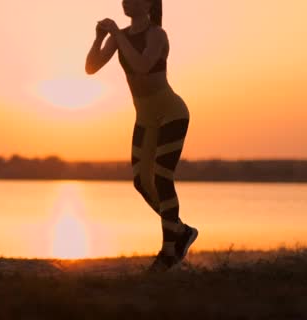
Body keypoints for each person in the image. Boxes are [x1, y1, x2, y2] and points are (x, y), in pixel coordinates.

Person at [85, 0, 198, 272]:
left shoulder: (157, 35)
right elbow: (91, 67)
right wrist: (99, 38)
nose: (126, 1)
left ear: (147, 4)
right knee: (141, 181)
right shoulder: (120, 36)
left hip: (172, 112)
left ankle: (168, 252)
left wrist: (117, 35)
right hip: (145, 119)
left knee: (162, 177)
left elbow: (143, 66)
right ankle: (181, 231)